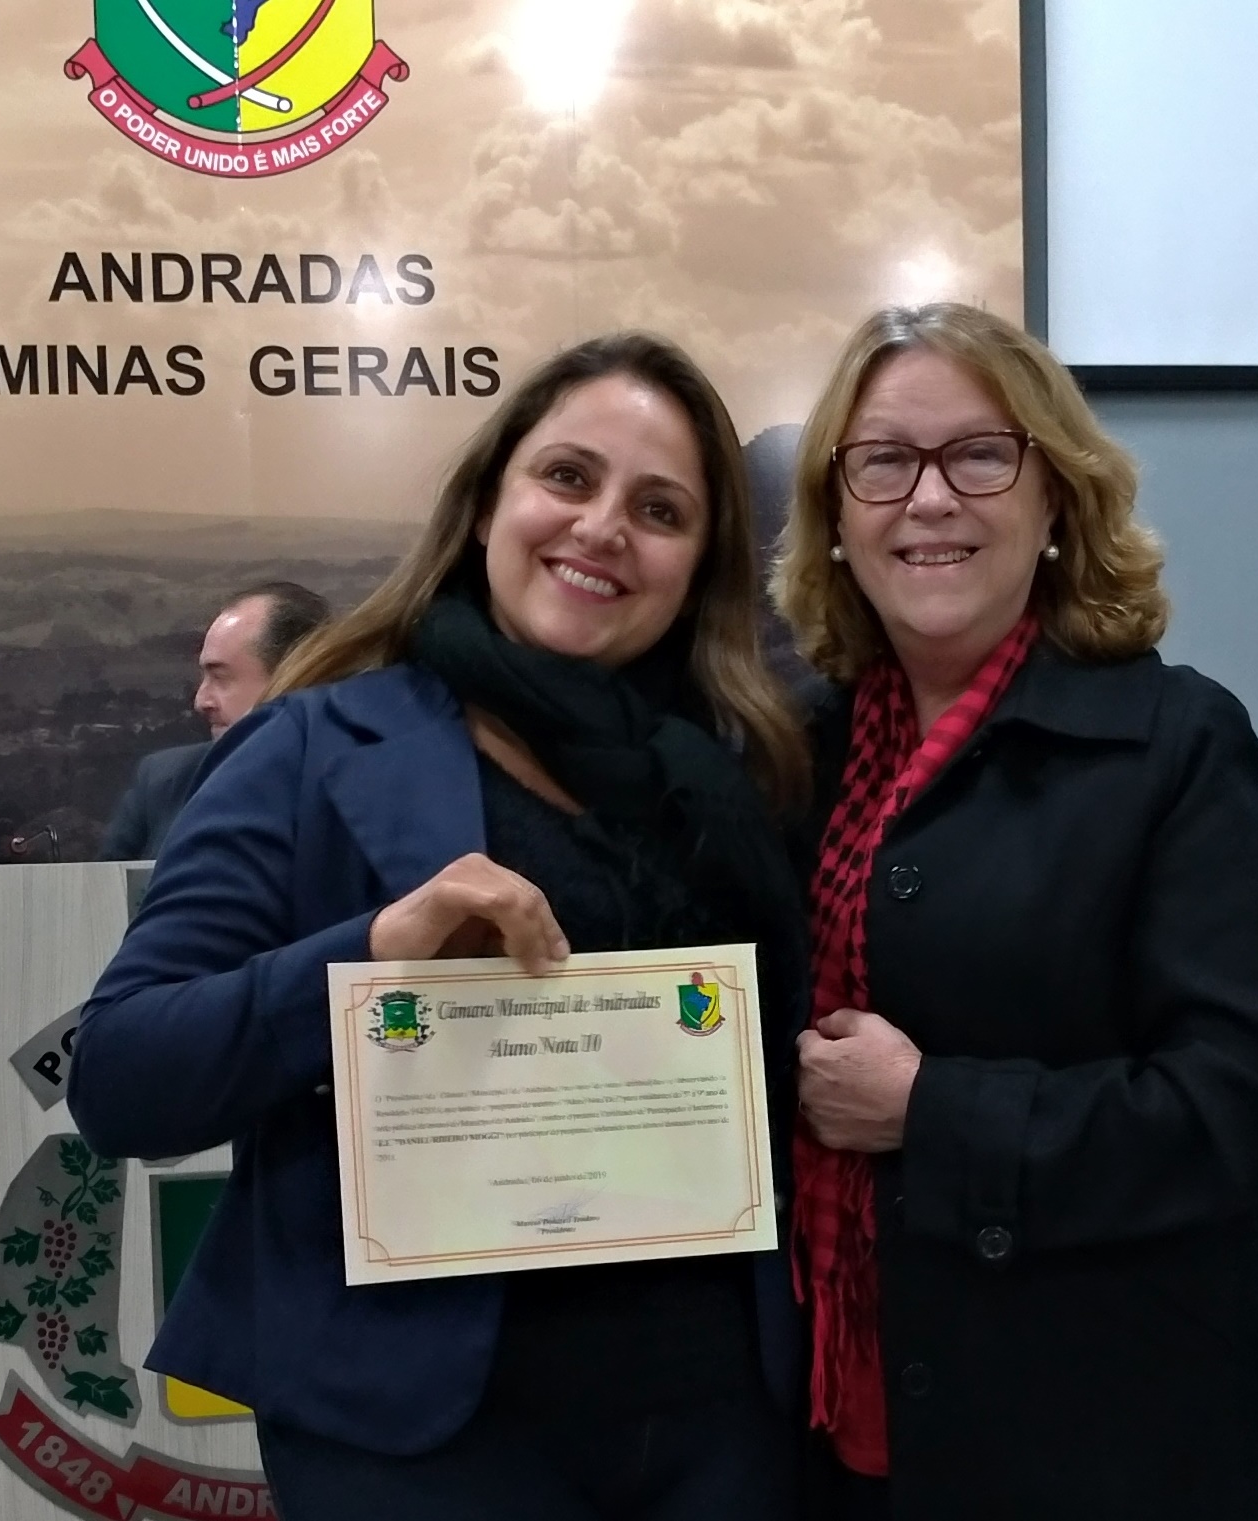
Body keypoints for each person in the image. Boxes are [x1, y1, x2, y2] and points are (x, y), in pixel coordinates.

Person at [69, 334, 810, 1521]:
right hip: (421, 1445)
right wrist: (369, 955)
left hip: (721, 1435)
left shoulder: (742, 779)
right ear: (485, 504)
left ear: (699, 565)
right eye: (567, 477)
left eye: (659, 509)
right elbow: (120, 1078)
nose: (604, 527)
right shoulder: (311, 747)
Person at [770, 303, 1258, 1521]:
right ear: (836, 518)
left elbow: (1249, 1102)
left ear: (1057, 501)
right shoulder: (793, 759)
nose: (930, 499)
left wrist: (931, 1110)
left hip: (1109, 1449)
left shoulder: (1175, 744)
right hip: (847, 1442)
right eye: (884, 461)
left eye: (981, 454)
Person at [98, 581, 330, 860]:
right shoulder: (163, 782)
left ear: (293, 677)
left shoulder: (361, 790)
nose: (201, 701)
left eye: (220, 677)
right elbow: (106, 886)